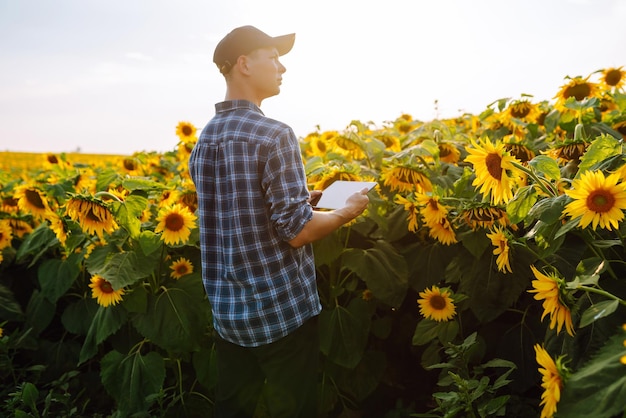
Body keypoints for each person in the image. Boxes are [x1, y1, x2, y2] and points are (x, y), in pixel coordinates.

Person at [188, 25, 370, 418]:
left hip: (229, 314)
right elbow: (297, 232)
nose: (282, 67)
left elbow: (237, 213)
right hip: (280, 312)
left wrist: (301, 200)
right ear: (244, 64)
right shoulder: (273, 135)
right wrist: (345, 211)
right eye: (272, 57)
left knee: (233, 408)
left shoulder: (204, 140)